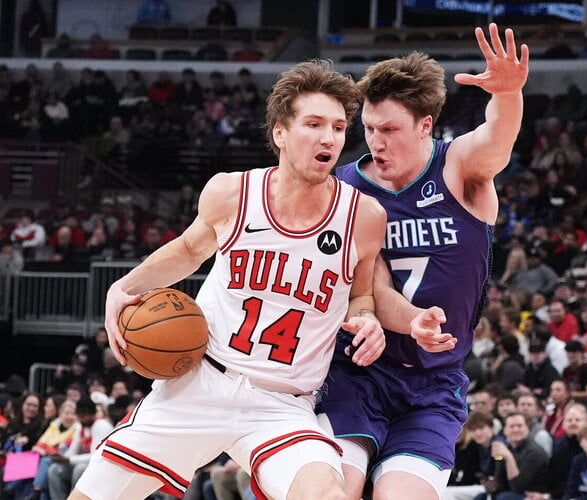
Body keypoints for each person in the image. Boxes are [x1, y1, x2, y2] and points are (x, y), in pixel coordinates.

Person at [68, 60, 387, 500]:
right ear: (280, 133)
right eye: (314, 124)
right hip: (200, 383)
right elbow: (187, 250)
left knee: (328, 496)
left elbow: (361, 295)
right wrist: (123, 287)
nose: (329, 138)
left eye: (337, 127)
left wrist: (367, 318)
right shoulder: (232, 193)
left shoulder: (364, 217)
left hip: (282, 404)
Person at [315, 23, 529, 500]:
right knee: (335, 491)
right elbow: (370, 287)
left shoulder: (460, 169)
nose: (376, 142)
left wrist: (508, 95)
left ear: (425, 126)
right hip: (356, 373)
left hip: (433, 384)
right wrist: (411, 320)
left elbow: (497, 138)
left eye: (390, 130)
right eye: (370, 128)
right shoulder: (345, 189)